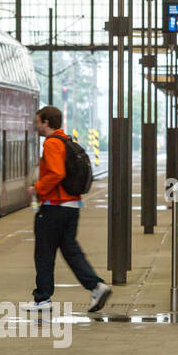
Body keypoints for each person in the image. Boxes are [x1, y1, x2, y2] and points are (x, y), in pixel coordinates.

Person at [28, 105, 111, 313]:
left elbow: (56, 173)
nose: (35, 125)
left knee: (44, 253)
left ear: (46, 122)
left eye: (37, 121)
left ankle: (42, 300)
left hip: (55, 207)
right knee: (71, 251)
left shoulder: (51, 144)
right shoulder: (66, 141)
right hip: (72, 205)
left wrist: (37, 188)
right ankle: (96, 286)